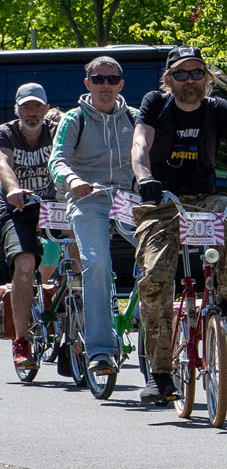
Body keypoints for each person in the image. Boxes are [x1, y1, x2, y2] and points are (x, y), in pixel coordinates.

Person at [131, 46, 227, 405]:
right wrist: (144, 177)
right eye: (181, 74)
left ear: (207, 77)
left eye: (196, 73)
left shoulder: (217, 108)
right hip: (161, 200)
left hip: (204, 198)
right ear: (168, 79)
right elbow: (140, 143)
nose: (189, 80)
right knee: (155, 279)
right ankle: (160, 375)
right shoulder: (154, 104)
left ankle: (225, 298)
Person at [48, 56, 138, 378]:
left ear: (121, 84)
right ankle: (100, 350)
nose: (105, 85)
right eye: (98, 79)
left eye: (112, 79)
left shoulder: (135, 118)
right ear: (87, 83)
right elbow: (57, 160)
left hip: (127, 198)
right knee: (96, 263)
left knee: (159, 256)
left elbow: (150, 156)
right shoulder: (75, 118)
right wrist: (72, 180)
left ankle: (141, 321)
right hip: (88, 198)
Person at [0, 84, 63, 371]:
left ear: (47, 109)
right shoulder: (6, 133)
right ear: (17, 110)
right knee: (24, 265)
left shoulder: (57, 129)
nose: (32, 112)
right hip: (18, 205)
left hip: (55, 205)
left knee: (82, 258)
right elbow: (3, 163)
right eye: (26, 107)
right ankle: (22, 340)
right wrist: (13, 189)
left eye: (37, 106)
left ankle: (78, 332)